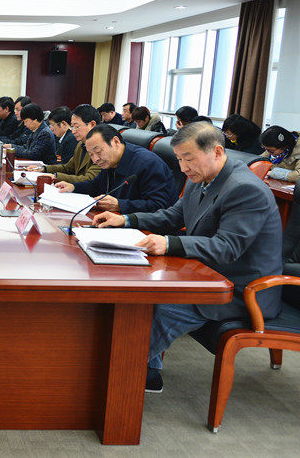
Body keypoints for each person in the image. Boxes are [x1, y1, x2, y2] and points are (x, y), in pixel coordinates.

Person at [93, 122, 283, 392]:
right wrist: (126, 219)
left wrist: (168, 243)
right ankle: (144, 370)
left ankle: (120, 370)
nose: (183, 167)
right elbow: (172, 216)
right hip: (206, 274)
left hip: (241, 290)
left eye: (188, 158)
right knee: (139, 292)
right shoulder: (202, 177)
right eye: (180, 159)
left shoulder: (244, 189)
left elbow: (227, 247)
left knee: (161, 305)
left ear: (217, 152)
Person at [55, 124, 177, 213]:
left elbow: (160, 206)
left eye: (98, 152)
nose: (95, 159)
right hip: (117, 220)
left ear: (116, 141)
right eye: (91, 154)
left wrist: (120, 205)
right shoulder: (110, 161)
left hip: (147, 232)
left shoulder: (148, 163)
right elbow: (96, 185)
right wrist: (73, 187)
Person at [27, 104, 102, 184]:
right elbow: (68, 168)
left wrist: (55, 176)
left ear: (92, 125)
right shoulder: (81, 144)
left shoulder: (101, 148)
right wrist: (44, 169)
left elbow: (89, 179)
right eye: (72, 127)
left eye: (77, 126)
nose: (73, 131)